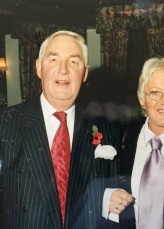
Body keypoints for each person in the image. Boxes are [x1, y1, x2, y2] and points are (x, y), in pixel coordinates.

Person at [0, 30, 121, 229]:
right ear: (39, 68)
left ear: (85, 73)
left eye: (74, 62)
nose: (63, 70)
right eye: (54, 59)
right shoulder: (6, 124)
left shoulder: (105, 129)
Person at [102, 57, 164, 228]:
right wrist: (105, 199)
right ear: (142, 98)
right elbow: (86, 188)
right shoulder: (118, 140)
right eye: (155, 93)